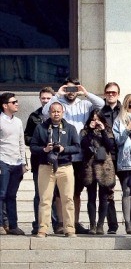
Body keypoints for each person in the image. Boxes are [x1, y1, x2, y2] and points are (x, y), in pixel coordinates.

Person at [42, 77, 105, 234]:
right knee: (59, 191)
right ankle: (61, 223)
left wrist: (85, 92)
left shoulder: (84, 104)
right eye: (69, 89)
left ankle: (74, 222)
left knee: (75, 190)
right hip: (61, 153)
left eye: (74, 89)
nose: (71, 93)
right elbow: (45, 112)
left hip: (79, 152)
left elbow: (101, 104)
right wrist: (58, 94)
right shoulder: (59, 103)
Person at [30, 102, 81, 237]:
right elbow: (33, 147)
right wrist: (44, 149)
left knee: (68, 199)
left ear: (63, 112)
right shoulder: (41, 128)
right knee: (45, 199)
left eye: (59, 111)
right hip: (46, 166)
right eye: (53, 111)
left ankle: (69, 228)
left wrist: (65, 149)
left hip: (65, 167)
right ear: (49, 113)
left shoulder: (70, 128)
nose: (56, 114)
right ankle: (43, 228)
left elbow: (77, 147)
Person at [24, 87, 58, 235]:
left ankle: (57, 223)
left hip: (58, 161)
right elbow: (27, 138)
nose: (45, 101)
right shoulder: (34, 117)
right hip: (39, 160)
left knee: (57, 193)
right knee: (40, 194)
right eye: (43, 98)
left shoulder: (60, 117)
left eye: (48, 98)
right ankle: (38, 223)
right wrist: (41, 143)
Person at [80, 109, 116, 235]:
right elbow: (84, 145)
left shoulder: (107, 130)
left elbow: (110, 146)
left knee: (104, 197)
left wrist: (102, 131)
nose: (95, 122)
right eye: (93, 119)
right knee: (91, 197)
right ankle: (92, 225)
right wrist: (90, 131)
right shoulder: (85, 131)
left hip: (104, 166)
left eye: (98, 119)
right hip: (89, 166)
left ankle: (100, 224)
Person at [113, 94, 131, 234]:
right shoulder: (119, 120)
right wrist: (129, 128)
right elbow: (118, 140)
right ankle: (128, 223)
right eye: (130, 106)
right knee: (127, 190)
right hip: (125, 160)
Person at [0, 93, 28, 235]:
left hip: (16, 163)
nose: (17, 104)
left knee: (12, 195)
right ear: (5, 105)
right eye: (13, 102)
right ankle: (0, 224)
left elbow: (21, 142)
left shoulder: (18, 121)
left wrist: (23, 162)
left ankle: (13, 225)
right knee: (1, 194)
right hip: (3, 161)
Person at [100, 82, 122, 234]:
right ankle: (112, 225)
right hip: (107, 156)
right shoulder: (100, 112)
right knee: (107, 191)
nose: (111, 95)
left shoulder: (126, 110)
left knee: (129, 191)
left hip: (125, 156)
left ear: (118, 94)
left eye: (114, 92)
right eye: (108, 92)